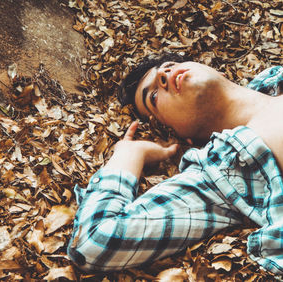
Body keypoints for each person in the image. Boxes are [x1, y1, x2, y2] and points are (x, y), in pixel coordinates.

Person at [67, 52, 283, 274]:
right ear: (179, 135)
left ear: (217, 71)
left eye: (169, 65)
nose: (164, 73)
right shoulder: (218, 176)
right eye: (153, 98)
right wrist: (128, 154)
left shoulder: (275, 79)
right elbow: (93, 242)